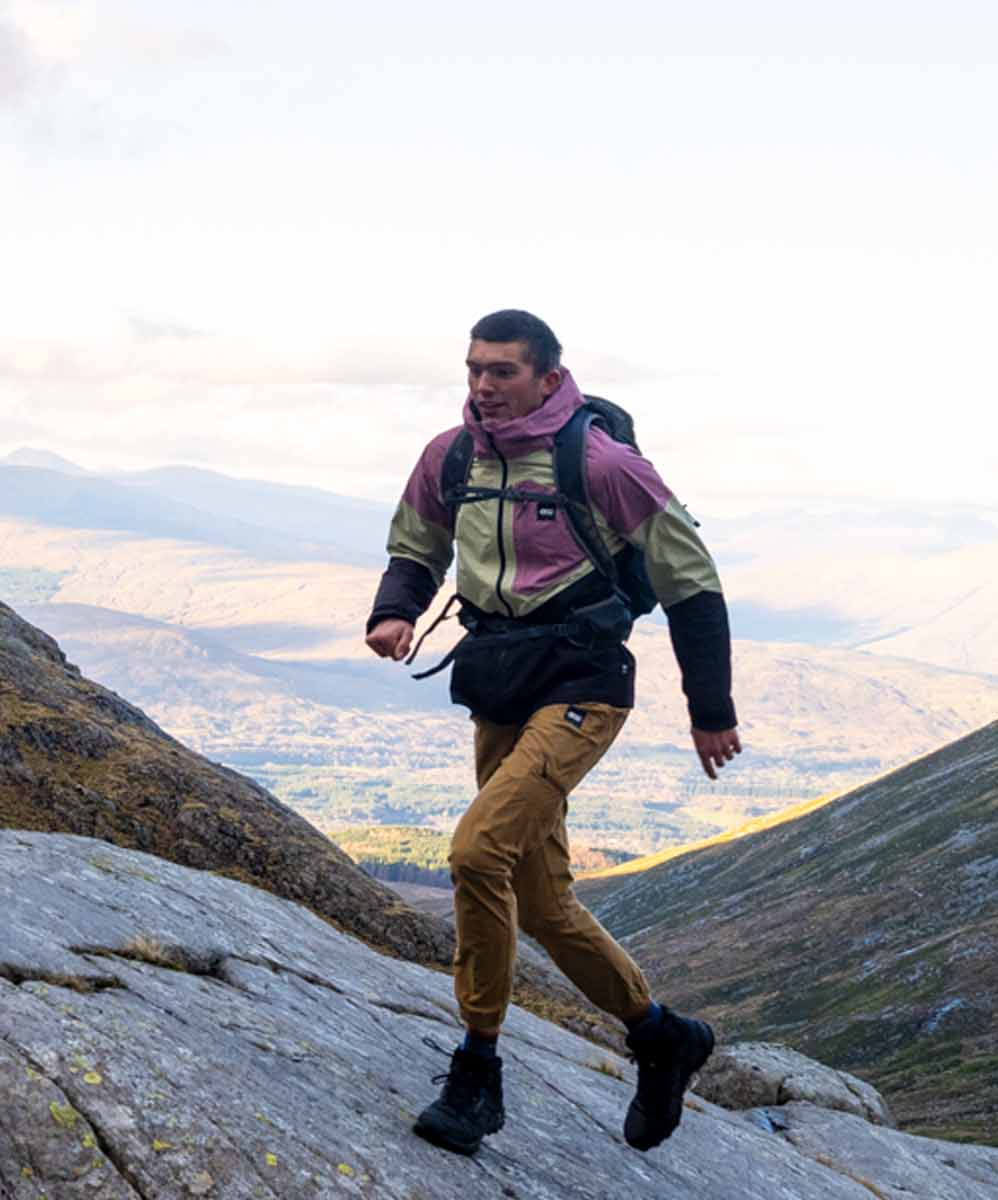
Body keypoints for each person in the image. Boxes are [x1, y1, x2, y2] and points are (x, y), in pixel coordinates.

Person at [365, 309, 738, 1157]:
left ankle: (477, 1070)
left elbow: (693, 584)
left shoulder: (603, 463)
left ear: (546, 375)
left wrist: (710, 710)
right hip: (501, 679)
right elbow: (415, 543)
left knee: (475, 855)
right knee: (540, 901)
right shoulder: (451, 456)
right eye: (473, 370)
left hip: (583, 683)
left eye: (502, 371)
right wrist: (394, 612)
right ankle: (660, 1035)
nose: (483, 386)